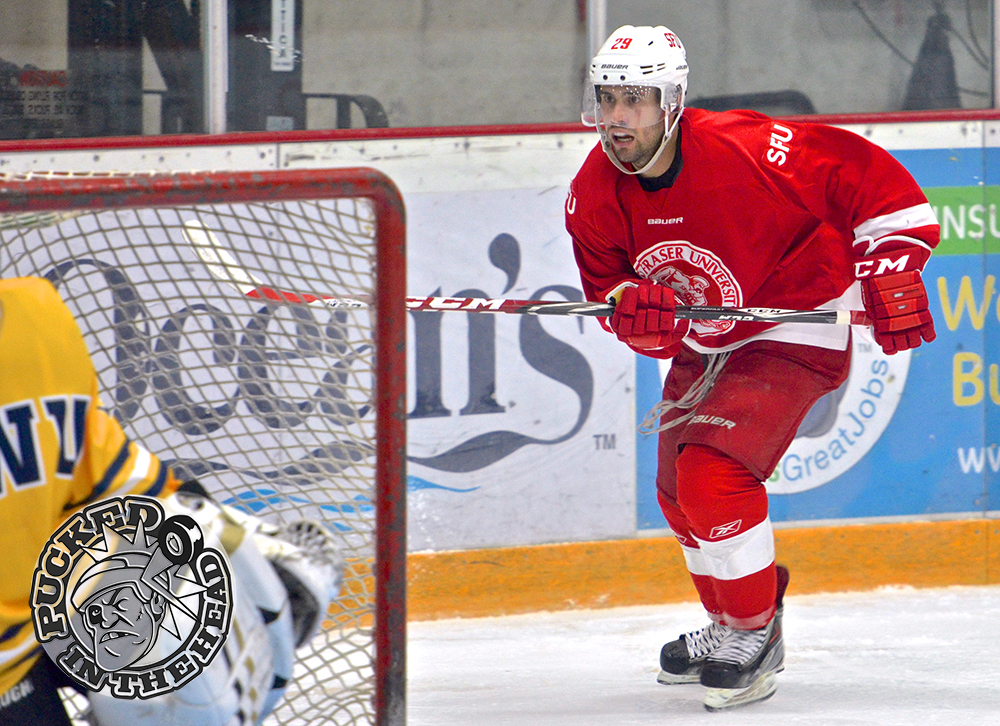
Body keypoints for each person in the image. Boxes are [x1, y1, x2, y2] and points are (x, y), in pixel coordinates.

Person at [565, 25, 938, 711]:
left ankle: (756, 629)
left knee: (714, 474)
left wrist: (890, 264)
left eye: (635, 100)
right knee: (677, 490)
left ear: (672, 102)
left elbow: (871, 182)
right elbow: (613, 289)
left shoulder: (744, 148)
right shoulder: (593, 192)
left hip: (792, 324)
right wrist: (633, 310)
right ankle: (731, 621)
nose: (616, 118)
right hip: (709, 342)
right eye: (608, 98)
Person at [0, 276, 180, 725]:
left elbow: (109, 474)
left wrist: (216, 528)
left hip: (30, 648)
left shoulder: (33, 313)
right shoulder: (32, 310)